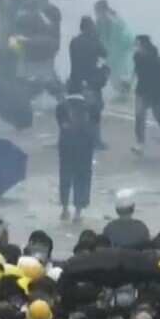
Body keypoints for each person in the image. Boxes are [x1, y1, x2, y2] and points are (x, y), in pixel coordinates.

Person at [131, 35, 160, 155]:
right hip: (142, 91)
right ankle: (140, 143)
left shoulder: (155, 59)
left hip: (157, 91)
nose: (136, 47)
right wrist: (130, 82)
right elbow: (136, 70)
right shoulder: (136, 57)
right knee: (139, 116)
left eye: (138, 45)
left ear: (144, 45)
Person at [68, 16, 109, 149]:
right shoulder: (94, 42)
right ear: (90, 27)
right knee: (94, 112)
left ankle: (74, 140)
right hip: (91, 82)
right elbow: (104, 54)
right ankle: (96, 142)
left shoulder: (74, 42)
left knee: (76, 114)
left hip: (75, 82)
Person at [56, 93, 96, 223]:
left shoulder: (62, 110)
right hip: (83, 149)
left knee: (65, 178)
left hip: (67, 148)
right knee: (82, 179)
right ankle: (77, 212)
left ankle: (65, 208)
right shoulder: (88, 109)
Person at [94, 0, 134, 101]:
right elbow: (97, 36)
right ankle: (124, 93)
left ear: (104, 10)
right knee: (113, 77)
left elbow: (124, 36)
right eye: (96, 12)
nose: (97, 15)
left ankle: (126, 94)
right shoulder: (99, 22)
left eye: (98, 12)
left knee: (118, 74)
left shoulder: (115, 21)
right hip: (110, 53)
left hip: (120, 51)